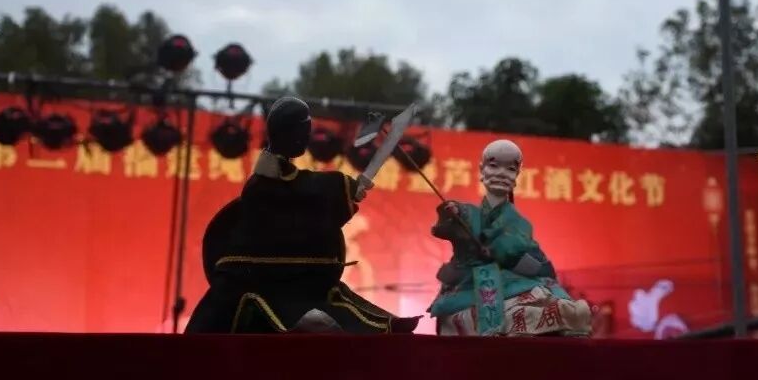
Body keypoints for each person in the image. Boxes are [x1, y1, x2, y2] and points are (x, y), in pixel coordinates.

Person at [186, 96, 418, 334]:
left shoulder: (280, 179)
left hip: (301, 278)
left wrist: (341, 190)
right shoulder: (262, 185)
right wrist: (340, 187)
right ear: (290, 132)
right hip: (262, 279)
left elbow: (300, 194)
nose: (307, 138)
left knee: (337, 299)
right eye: (304, 131)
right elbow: (297, 191)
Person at [427, 138, 592, 337]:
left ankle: (562, 316)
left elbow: (533, 259)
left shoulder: (519, 222)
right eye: (494, 166)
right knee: (482, 315)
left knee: (542, 299)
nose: (501, 173)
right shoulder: (469, 213)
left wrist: (500, 252)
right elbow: (455, 219)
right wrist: (454, 211)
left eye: (510, 169)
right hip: (471, 283)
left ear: (517, 175)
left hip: (515, 281)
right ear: (482, 169)